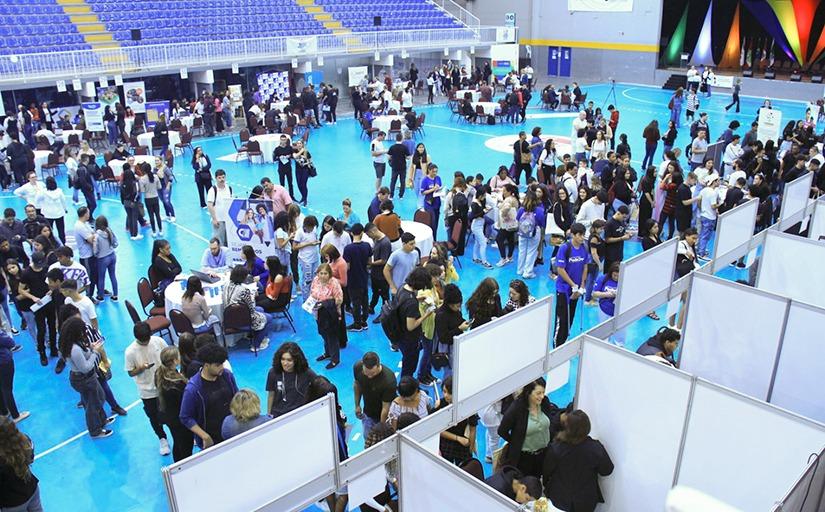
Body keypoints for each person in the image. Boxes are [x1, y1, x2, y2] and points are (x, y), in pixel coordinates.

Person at [542, 410, 613, 512]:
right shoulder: (595, 448)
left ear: (567, 427)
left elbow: (547, 472)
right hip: (585, 500)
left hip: (559, 498)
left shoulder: (556, 448)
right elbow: (607, 470)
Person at [60, 317, 114, 439]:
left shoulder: (74, 343)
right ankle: (95, 430)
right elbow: (85, 367)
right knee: (92, 404)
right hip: (84, 379)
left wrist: (91, 348)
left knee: (97, 397)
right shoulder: (74, 349)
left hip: (86, 378)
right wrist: (95, 352)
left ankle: (102, 419)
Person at [498, 379, 561, 478]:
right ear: (528, 393)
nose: (542, 396)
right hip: (524, 458)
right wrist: (515, 441)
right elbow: (502, 431)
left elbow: (550, 420)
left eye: (543, 392)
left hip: (543, 454)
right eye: (538, 393)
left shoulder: (544, 402)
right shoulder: (516, 409)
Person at [180, 343, 238, 448]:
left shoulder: (227, 375)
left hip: (233, 430)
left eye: (222, 364)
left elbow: (236, 397)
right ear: (206, 365)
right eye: (217, 365)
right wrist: (205, 436)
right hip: (213, 438)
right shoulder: (193, 389)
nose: (222, 367)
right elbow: (185, 417)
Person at [125, 322, 171, 456]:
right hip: (147, 391)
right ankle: (162, 438)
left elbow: (169, 357)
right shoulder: (130, 352)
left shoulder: (158, 341)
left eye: (147, 340)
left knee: (173, 412)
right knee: (154, 417)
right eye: (142, 341)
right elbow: (130, 372)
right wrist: (141, 368)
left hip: (165, 385)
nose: (146, 343)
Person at [223, 266, 276, 352]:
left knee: (261, 309)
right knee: (269, 318)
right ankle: (256, 344)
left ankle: (254, 335)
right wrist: (252, 295)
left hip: (229, 318)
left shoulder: (226, 285)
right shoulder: (244, 290)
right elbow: (251, 308)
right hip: (242, 319)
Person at [155, 346, 194, 462]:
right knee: (185, 445)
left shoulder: (159, 373)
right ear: (174, 361)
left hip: (169, 416)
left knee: (177, 441)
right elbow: (185, 402)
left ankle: (178, 462)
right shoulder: (177, 382)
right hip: (179, 419)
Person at [555, 223, 590, 347]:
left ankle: (564, 343)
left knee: (571, 317)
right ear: (573, 235)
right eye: (580, 235)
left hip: (576, 289)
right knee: (562, 319)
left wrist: (581, 286)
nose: (582, 238)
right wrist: (573, 285)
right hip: (564, 289)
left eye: (583, 235)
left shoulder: (584, 248)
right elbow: (560, 269)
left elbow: (585, 267)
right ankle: (557, 346)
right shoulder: (565, 248)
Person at [0, 417, 42, 511]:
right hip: (32, 488)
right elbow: (31, 459)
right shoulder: (26, 441)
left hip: (13, 503)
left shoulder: (2, 462)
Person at [265, 342, 316, 418]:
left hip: (299, 413)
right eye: (283, 359)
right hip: (278, 413)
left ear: (296, 360)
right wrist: (268, 415)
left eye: (289, 360)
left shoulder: (306, 373)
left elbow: (319, 386)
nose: (285, 363)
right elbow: (271, 394)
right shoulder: (273, 372)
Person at [353, 352, 397, 436]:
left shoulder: (389, 381)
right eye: (366, 374)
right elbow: (357, 384)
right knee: (368, 438)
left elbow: (385, 408)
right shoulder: (357, 367)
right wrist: (357, 405)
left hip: (384, 415)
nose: (369, 376)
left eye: (373, 374)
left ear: (378, 365)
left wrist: (381, 427)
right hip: (368, 413)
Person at [311, 263, 344, 369]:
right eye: (321, 273)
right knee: (324, 334)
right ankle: (327, 353)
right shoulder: (316, 280)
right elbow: (312, 292)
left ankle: (335, 359)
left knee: (332, 337)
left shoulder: (334, 283)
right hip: (318, 314)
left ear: (329, 274)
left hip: (330, 315)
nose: (323, 276)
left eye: (325, 273)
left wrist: (324, 303)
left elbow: (339, 299)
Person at [343, 224, 372, 331]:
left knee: (355, 302)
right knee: (365, 300)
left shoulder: (348, 249)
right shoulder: (367, 246)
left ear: (351, 233)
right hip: (363, 277)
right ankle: (364, 322)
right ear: (362, 233)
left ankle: (357, 324)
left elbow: (348, 266)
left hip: (353, 280)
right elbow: (369, 262)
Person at [0, 329, 28, 423]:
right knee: (7, 389)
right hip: (4, 362)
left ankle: (4, 411)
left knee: (2, 386)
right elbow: (10, 342)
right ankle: (15, 415)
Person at [516, 190, 545, 279]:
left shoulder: (521, 209)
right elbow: (542, 223)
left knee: (522, 250)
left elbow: (517, 219)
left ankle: (520, 270)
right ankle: (528, 272)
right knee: (531, 251)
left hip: (522, 232)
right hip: (534, 232)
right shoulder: (539, 210)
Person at [365, 223, 391, 320]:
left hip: (382, 275)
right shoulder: (376, 239)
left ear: (372, 231)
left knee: (384, 295)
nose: (369, 237)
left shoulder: (385, 242)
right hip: (375, 273)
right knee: (375, 291)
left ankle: (385, 313)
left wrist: (371, 264)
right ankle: (371, 307)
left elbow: (384, 260)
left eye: (369, 235)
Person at [93, 216, 118, 302]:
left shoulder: (96, 236)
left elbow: (95, 250)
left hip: (102, 258)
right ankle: (115, 295)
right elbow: (115, 243)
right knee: (113, 275)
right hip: (112, 255)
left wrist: (96, 255)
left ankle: (100, 296)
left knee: (101, 277)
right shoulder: (109, 231)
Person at [37, 176, 67, 244]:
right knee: (61, 231)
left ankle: (49, 243)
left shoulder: (43, 192)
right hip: (59, 213)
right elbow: (63, 201)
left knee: (48, 230)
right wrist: (65, 209)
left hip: (48, 214)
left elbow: (37, 199)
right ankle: (63, 244)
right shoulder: (59, 191)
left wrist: (42, 205)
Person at [206, 169, 233, 246]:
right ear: (216, 178)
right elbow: (209, 205)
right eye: (220, 178)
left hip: (228, 219)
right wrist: (214, 219)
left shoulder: (229, 188)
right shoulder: (213, 190)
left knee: (229, 240)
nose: (222, 179)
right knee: (219, 241)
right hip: (219, 220)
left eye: (223, 177)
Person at [696, 175, 721, 258]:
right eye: (718, 181)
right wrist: (720, 204)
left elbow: (699, 200)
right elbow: (713, 206)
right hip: (710, 217)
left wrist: (701, 209)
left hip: (703, 214)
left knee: (702, 233)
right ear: (714, 181)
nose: (719, 182)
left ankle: (699, 249)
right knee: (706, 235)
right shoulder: (713, 193)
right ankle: (701, 253)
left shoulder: (704, 190)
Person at [496, 184, 520, 267]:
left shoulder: (508, 200)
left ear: (509, 192)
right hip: (513, 224)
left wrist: (503, 214)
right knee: (510, 239)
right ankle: (509, 256)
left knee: (499, 239)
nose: (503, 193)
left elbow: (506, 208)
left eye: (504, 191)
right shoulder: (515, 199)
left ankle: (503, 258)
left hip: (506, 224)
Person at [470, 185, 493, 269]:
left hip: (480, 225)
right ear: (480, 195)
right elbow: (473, 216)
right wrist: (484, 211)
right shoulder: (474, 204)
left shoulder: (481, 201)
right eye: (484, 195)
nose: (485, 197)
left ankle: (475, 257)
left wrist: (485, 210)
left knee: (477, 242)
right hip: (476, 226)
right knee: (483, 243)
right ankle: (484, 262)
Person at [602, 206, 631, 272]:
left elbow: (621, 232)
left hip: (619, 252)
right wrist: (621, 238)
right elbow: (607, 240)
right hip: (610, 254)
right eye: (623, 217)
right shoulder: (609, 224)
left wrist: (628, 234)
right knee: (609, 272)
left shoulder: (621, 221)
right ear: (618, 213)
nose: (624, 219)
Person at [139, 163, 164, 237]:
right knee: (157, 215)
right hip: (155, 197)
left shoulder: (142, 179)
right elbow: (159, 187)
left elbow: (142, 190)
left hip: (148, 198)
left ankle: (154, 232)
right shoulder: (155, 177)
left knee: (151, 215)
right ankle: (160, 230)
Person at [420, 163, 443, 239]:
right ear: (429, 170)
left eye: (436, 171)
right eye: (433, 171)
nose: (435, 173)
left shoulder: (438, 178)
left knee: (436, 223)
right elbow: (423, 192)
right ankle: (430, 239)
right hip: (429, 204)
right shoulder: (425, 180)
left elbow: (440, 187)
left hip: (437, 203)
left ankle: (434, 239)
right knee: (431, 223)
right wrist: (432, 189)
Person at [387, 133, 410, 199]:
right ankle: (401, 196)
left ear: (395, 138)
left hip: (394, 167)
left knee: (393, 181)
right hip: (402, 167)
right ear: (402, 138)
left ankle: (391, 196)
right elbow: (408, 157)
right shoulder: (404, 147)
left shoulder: (392, 147)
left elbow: (388, 157)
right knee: (402, 181)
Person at [408, 143, 430, 208]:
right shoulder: (413, 157)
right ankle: (421, 201)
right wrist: (410, 179)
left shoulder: (427, 157)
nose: (421, 148)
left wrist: (429, 177)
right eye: (420, 147)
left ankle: (420, 205)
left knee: (422, 190)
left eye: (422, 147)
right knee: (416, 189)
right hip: (416, 174)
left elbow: (430, 167)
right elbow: (411, 168)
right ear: (417, 148)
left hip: (423, 174)